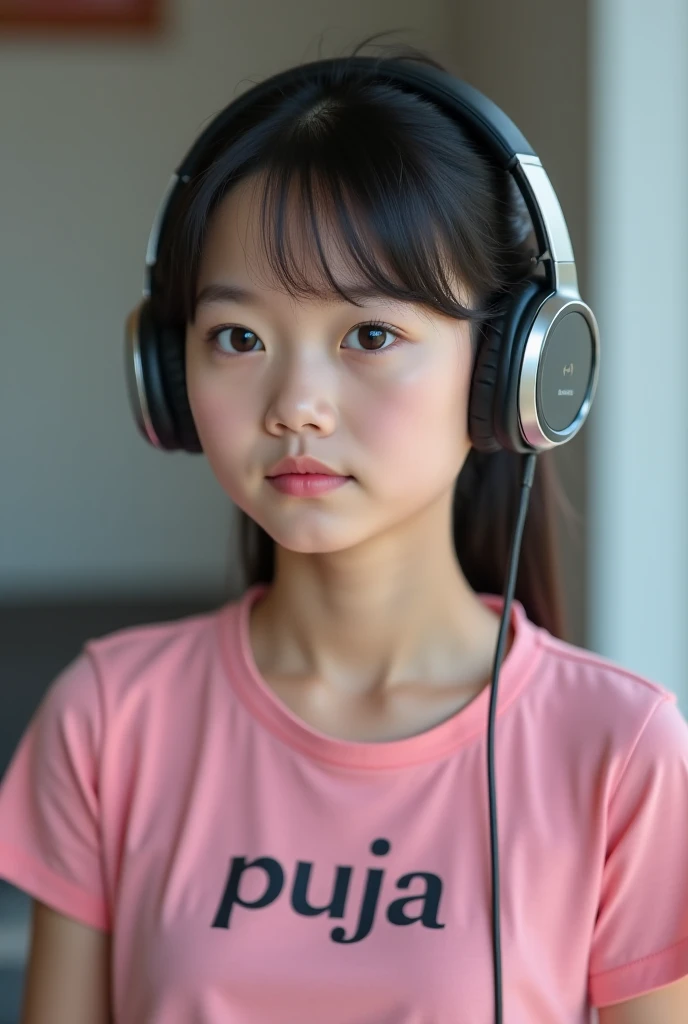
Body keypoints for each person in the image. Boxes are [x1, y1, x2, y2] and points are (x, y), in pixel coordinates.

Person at [1, 36, 688, 1024]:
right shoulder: (109, 720)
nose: (296, 405)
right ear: (170, 374)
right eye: (237, 337)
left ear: (506, 372)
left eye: (369, 334)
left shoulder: (619, 753)